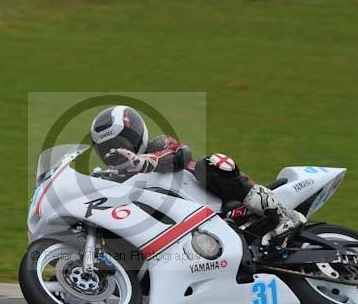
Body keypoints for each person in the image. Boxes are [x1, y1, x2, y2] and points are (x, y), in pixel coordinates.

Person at [90, 105, 305, 246]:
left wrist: (144, 162)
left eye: (120, 144)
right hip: (181, 233)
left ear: (136, 135)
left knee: (210, 163)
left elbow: (180, 152)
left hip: (220, 205)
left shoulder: (159, 145)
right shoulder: (115, 179)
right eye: (108, 149)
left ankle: (284, 215)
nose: (116, 152)